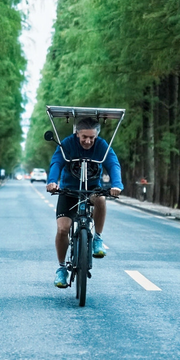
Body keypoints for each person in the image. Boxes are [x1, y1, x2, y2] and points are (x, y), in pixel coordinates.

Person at [45, 117, 123, 288]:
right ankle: (61, 268)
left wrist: (117, 185)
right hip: (68, 190)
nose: (88, 141)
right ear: (77, 134)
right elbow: (56, 163)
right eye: (84, 137)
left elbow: (113, 164)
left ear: (96, 136)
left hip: (92, 190)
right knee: (62, 228)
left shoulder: (102, 146)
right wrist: (52, 181)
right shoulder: (67, 144)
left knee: (101, 199)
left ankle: (97, 238)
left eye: (92, 138)